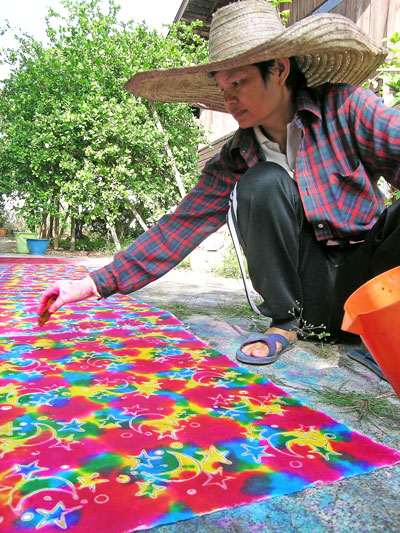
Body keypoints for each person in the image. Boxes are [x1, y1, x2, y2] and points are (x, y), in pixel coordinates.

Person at [37, 0, 400, 373]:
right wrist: (91, 285)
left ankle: (387, 329)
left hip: (371, 284)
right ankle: (285, 325)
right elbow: (181, 225)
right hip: (311, 302)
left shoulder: (346, 107)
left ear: (278, 69)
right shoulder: (235, 156)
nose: (228, 100)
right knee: (262, 182)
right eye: (222, 87)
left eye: (238, 83)